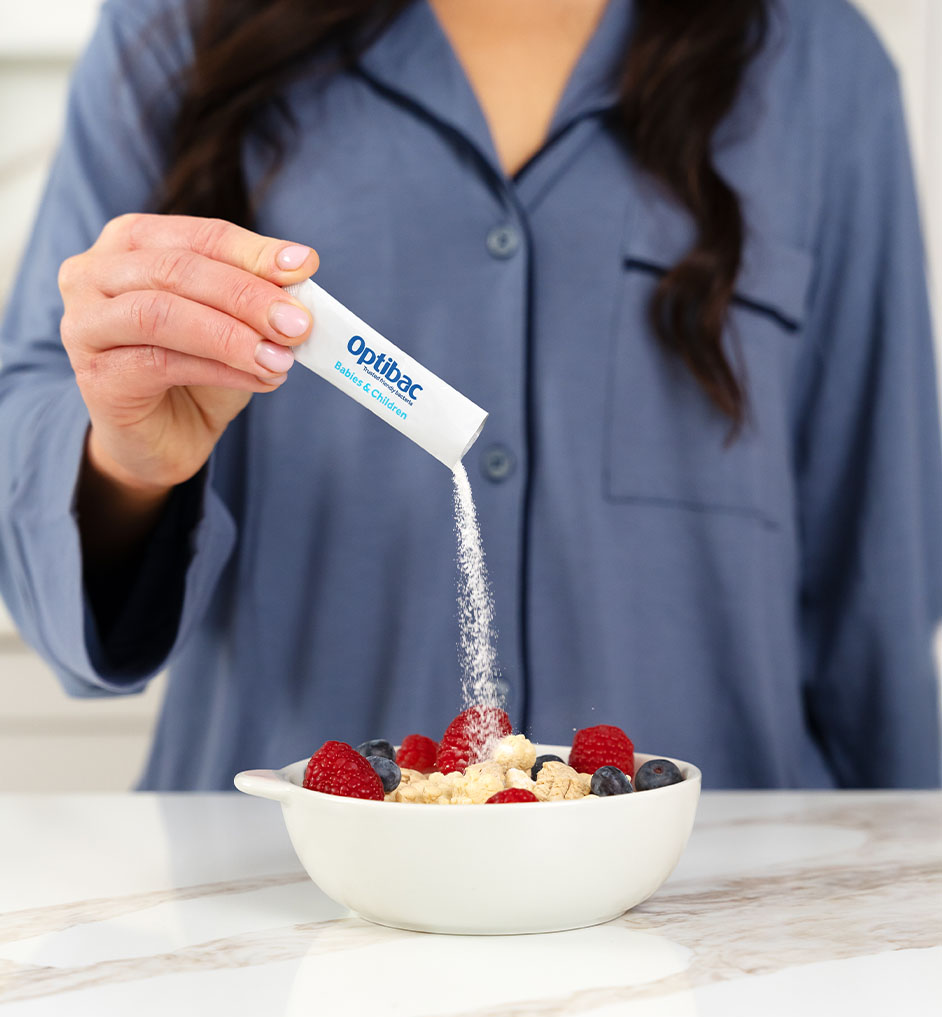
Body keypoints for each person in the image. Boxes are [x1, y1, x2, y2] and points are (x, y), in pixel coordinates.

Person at [0, 0, 940, 790]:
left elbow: (879, 560)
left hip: (719, 906)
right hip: (283, 905)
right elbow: (36, 421)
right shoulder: (176, 30)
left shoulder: (823, 64)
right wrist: (126, 461)